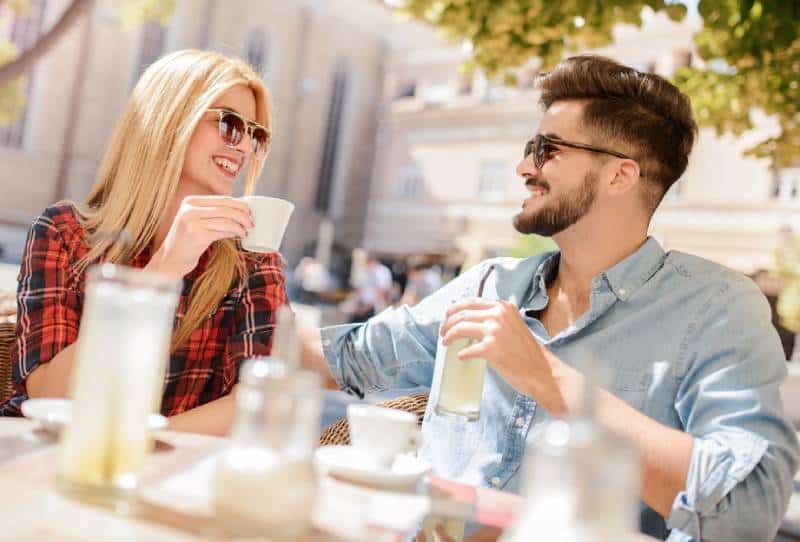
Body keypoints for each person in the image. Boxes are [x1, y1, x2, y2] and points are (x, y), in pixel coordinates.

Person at [303, 55, 800, 541]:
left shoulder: (717, 307)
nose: (524, 166)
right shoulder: (487, 284)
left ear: (619, 176)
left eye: (548, 149)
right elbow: (345, 359)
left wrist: (549, 379)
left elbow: (747, 511)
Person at [0, 49, 287, 436]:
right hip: (41, 458)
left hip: (162, 472)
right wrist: (164, 271)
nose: (243, 146)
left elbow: (258, 403)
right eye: (230, 124)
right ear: (171, 120)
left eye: (255, 135)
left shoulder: (253, 261)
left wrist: (139, 446)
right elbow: (49, 395)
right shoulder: (64, 233)